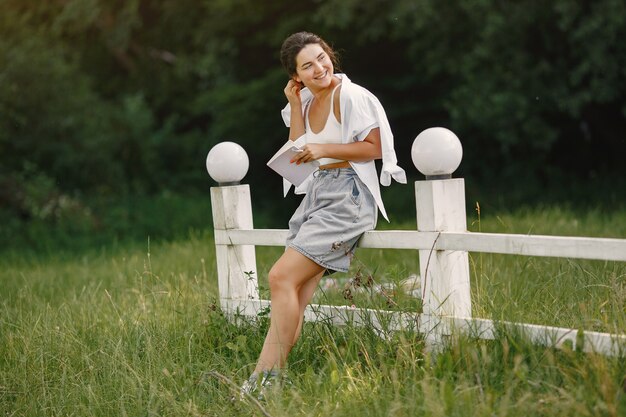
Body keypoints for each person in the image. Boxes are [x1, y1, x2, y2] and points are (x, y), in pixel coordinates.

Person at [240, 31, 406, 398]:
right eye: (307, 65)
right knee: (294, 292)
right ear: (295, 76)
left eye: (322, 58)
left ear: (330, 55)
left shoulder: (352, 95)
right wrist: (296, 107)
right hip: (318, 195)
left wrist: (321, 150)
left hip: (348, 197)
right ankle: (266, 381)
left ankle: (265, 378)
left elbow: (375, 147)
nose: (319, 68)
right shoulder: (304, 99)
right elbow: (299, 149)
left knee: (279, 276)